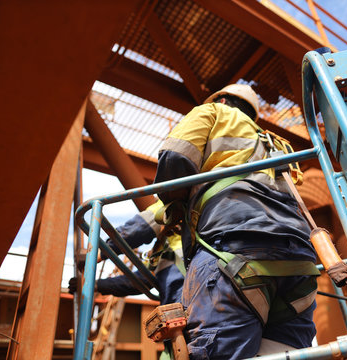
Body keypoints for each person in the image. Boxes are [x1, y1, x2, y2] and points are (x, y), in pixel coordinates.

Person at [154, 84, 321, 359]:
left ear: (221, 99)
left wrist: (174, 204)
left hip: (232, 247)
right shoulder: (276, 142)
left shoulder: (213, 112)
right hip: (299, 259)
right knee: (287, 352)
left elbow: (176, 158)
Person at [69, 200, 184, 305]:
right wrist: (95, 285)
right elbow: (140, 281)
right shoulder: (168, 249)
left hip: (181, 286)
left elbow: (141, 227)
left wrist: (98, 253)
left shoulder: (178, 196)